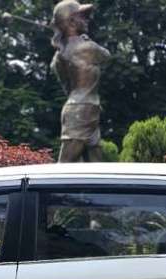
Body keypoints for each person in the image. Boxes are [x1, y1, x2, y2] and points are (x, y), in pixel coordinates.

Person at [51, 1, 110, 163]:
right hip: (82, 111)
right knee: (64, 166)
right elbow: (106, 56)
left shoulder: (59, 56)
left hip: (84, 108)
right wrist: (86, 40)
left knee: (95, 167)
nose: (87, 20)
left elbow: (67, 86)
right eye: (82, 17)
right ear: (71, 22)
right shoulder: (87, 47)